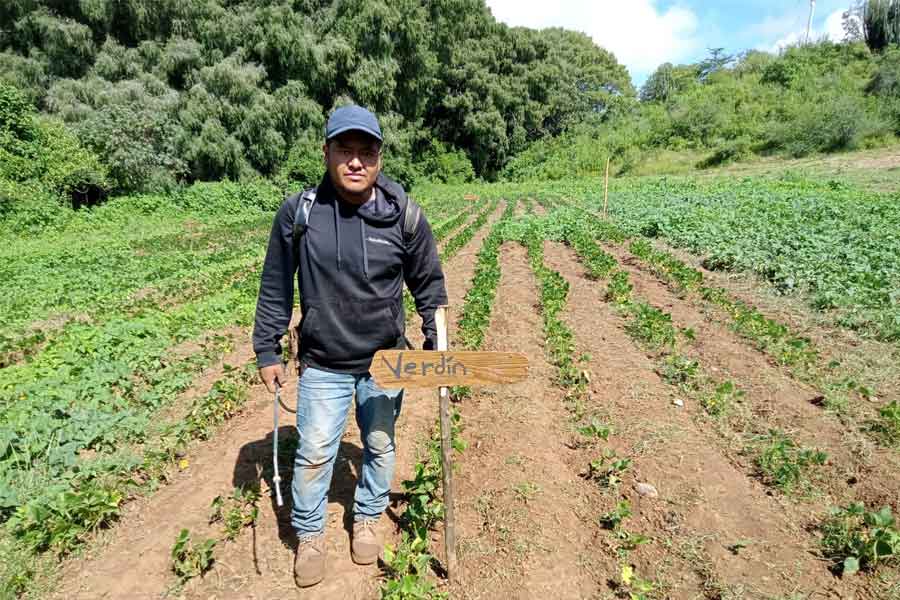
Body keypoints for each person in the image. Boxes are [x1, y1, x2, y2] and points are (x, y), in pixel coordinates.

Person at [252, 105, 448, 588]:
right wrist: (267, 349)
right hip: (324, 360)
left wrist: (434, 339)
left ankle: (366, 517)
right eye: (346, 150)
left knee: (379, 445)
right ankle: (310, 534)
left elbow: (430, 285)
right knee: (316, 450)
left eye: (367, 152)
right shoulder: (299, 214)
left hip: (385, 362)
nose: (356, 162)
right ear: (327, 153)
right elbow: (276, 283)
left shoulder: (404, 214)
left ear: (379, 158)